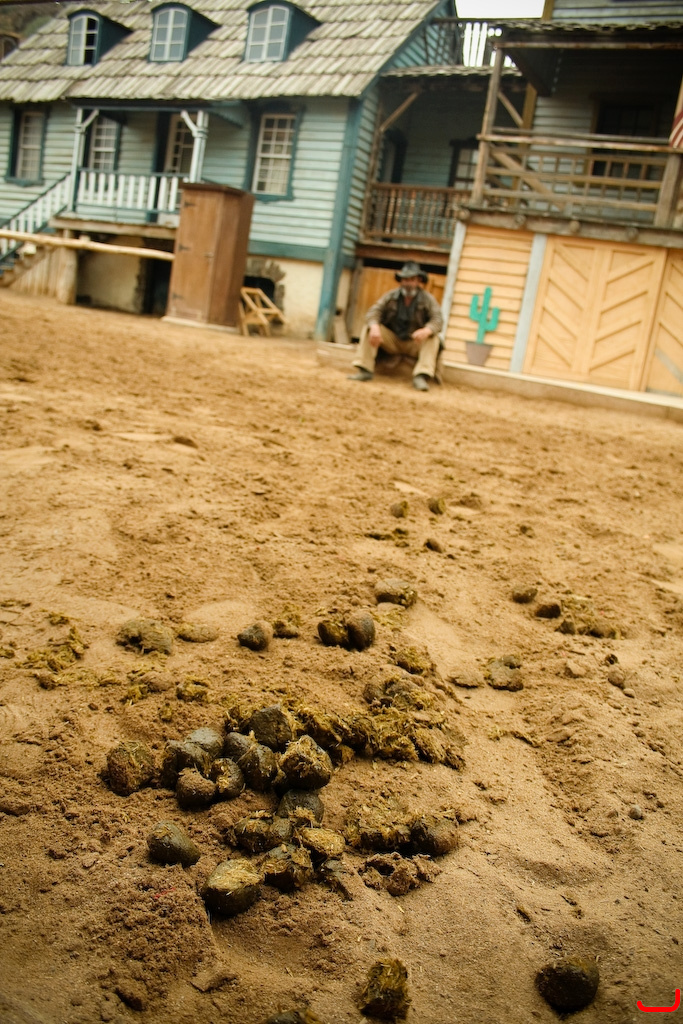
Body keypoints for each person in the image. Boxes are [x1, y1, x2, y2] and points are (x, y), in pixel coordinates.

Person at [348, 262, 443, 392]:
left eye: (412, 279)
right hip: (393, 341)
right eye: (405, 279)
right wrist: (375, 326)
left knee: (434, 338)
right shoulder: (391, 296)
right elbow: (374, 312)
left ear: (418, 281)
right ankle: (365, 369)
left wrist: (427, 330)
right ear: (401, 281)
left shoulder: (428, 299)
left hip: (415, 342)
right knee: (369, 328)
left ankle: (421, 376)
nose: (408, 283)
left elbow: (438, 319)